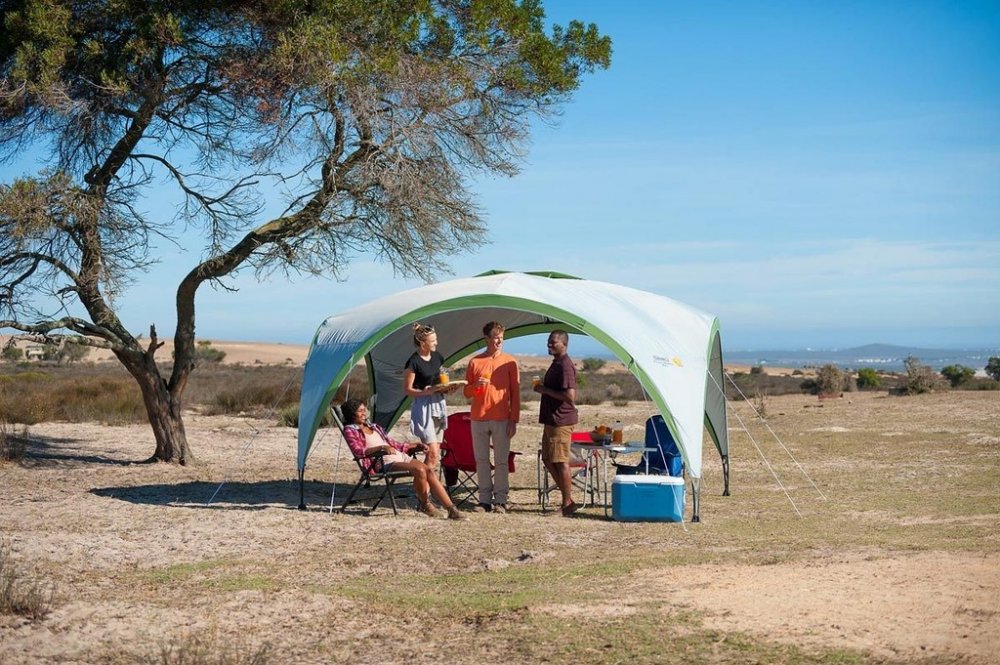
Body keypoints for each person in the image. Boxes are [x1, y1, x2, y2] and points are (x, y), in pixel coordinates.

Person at [340, 397, 464, 520]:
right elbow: (358, 452)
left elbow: (394, 444)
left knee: (429, 470)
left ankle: (451, 509)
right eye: (360, 411)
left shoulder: (374, 427)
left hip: (399, 456)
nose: (364, 413)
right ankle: (425, 504)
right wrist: (381, 448)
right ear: (351, 413)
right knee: (420, 470)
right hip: (382, 462)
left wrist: (415, 445)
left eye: (364, 410)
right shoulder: (350, 430)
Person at [463, 321, 520, 513]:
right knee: (481, 461)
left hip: (502, 418)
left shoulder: (510, 362)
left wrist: (514, 420)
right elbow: (466, 392)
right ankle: (484, 501)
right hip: (478, 418)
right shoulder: (475, 362)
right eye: (496, 337)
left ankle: (501, 500)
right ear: (486, 339)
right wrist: (475, 386)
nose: (499, 341)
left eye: (501, 337)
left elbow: (515, 393)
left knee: (502, 461)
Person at [534, 330, 580, 517]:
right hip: (551, 420)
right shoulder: (557, 363)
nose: (550, 344)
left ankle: (566, 504)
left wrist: (544, 390)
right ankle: (569, 500)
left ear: (564, 344)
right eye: (549, 341)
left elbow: (570, 396)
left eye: (553, 342)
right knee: (547, 458)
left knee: (561, 462)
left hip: (561, 421)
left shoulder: (565, 366)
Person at [402, 322, 458, 471]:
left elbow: (440, 380)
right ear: (422, 343)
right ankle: (422, 482)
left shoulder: (438, 357)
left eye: (436, 339)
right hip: (423, 406)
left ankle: (424, 483)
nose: (436, 343)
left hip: (438, 404)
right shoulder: (413, 362)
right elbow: (407, 389)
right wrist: (425, 392)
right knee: (432, 451)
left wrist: (448, 389)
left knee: (434, 454)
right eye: (433, 341)